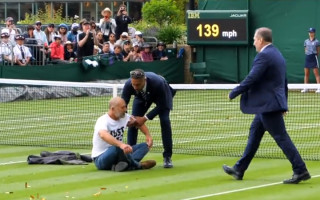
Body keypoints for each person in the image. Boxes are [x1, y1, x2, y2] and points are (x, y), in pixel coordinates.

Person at [223, 27, 310, 184]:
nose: (254, 42)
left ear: (261, 40)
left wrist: (234, 92)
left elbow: (252, 78)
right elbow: (283, 81)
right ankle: (239, 168)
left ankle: (300, 170)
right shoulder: (277, 54)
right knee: (254, 134)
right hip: (269, 105)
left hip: (268, 105)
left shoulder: (264, 56)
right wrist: (283, 104)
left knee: (281, 137)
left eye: (255, 39)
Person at [121, 69, 176, 168]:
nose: (135, 87)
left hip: (161, 96)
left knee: (165, 121)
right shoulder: (129, 84)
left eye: (137, 84)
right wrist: (127, 118)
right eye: (133, 84)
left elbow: (162, 105)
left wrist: (145, 118)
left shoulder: (158, 83)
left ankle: (167, 157)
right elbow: (123, 103)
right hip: (141, 97)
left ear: (144, 80)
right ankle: (130, 155)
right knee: (133, 123)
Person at [91, 96, 156, 172]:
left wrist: (148, 135)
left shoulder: (124, 117)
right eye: (122, 108)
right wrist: (121, 145)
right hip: (101, 158)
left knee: (145, 146)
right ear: (113, 109)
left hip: (120, 152)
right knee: (117, 147)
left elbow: (139, 123)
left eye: (125, 107)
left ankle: (122, 165)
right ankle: (137, 165)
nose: (125, 110)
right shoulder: (102, 120)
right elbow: (103, 134)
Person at [301, 27, 320, 93]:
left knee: (316, 74)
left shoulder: (317, 41)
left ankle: (319, 88)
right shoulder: (306, 41)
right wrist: (308, 54)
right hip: (307, 58)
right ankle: (306, 88)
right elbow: (305, 50)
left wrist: (314, 55)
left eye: (312, 32)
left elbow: (318, 51)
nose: (310, 33)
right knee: (306, 74)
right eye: (309, 32)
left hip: (314, 58)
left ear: (314, 33)